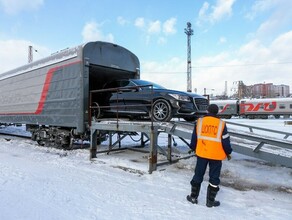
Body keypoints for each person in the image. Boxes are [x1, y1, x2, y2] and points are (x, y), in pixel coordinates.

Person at [186, 104, 232, 207]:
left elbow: (195, 137)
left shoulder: (200, 122)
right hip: (216, 155)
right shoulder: (221, 124)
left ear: (207, 111)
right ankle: (210, 201)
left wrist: (192, 147)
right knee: (214, 178)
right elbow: (225, 140)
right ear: (217, 112)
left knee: (198, 174)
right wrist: (228, 152)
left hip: (202, 153)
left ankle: (193, 197)